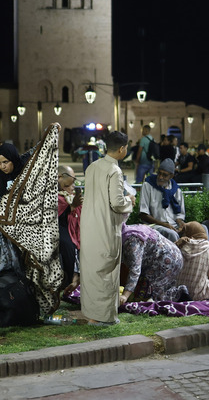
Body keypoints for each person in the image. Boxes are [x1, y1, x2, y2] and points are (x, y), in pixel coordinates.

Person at [81, 131, 136, 326]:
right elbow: (117, 203)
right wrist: (130, 201)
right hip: (105, 226)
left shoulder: (92, 167)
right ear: (122, 149)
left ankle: (90, 313)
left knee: (91, 270)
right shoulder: (115, 170)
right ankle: (104, 317)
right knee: (106, 271)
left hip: (88, 225)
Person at [0, 143, 29, 312]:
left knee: (19, 269)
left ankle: (18, 305)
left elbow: (33, 153)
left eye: (6, 162)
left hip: (17, 231)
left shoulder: (21, 172)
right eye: (0, 163)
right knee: (0, 268)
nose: (3, 166)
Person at [120, 224, 190, 303]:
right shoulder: (128, 232)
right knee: (147, 292)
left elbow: (135, 269)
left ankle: (180, 294)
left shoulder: (132, 241)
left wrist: (125, 295)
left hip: (167, 259)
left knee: (153, 296)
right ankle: (177, 294)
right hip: (167, 257)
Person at [137, 158, 186, 242]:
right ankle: (176, 255)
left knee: (199, 229)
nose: (160, 177)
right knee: (172, 234)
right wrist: (163, 224)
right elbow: (143, 214)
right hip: (155, 226)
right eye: (159, 173)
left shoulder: (176, 190)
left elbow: (180, 215)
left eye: (164, 175)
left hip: (173, 226)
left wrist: (181, 224)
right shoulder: (148, 185)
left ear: (171, 176)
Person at [58, 165, 82, 295]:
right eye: (72, 178)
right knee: (69, 246)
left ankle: (75, 281)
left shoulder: (66, 195)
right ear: (60, 177)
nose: (74, 182)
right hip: (54, 230)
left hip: (67, 228)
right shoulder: (50, 193)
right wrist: (72, 206)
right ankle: (71, 282)